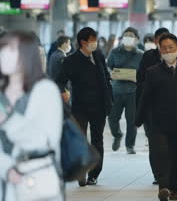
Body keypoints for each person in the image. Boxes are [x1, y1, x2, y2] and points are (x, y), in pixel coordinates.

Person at [136, 33, 177, 201]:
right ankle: (163, 186)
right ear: (160, 50)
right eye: (164, 48)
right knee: (161, 154)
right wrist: (139, 118)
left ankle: (175, 189)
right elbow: (145, 97)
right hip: (158, 123)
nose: (167, 51)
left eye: (171, 47)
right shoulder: (153, 72)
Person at [0, 31, 63, 201]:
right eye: (2, 49)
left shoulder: (45, 90)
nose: (3, 55)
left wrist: (9, 121)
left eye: (11, 50)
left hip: (36, 180)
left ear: (27, 56)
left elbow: (46, 140)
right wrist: (6, 168)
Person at [56, 27, 113, 186]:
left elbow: (106, 77)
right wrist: (64, 91)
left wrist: (110, 98)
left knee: (97, 140)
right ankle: (80, 171)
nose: (95, 43)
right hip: (80, 106)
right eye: (92, 40)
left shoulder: (99, 55)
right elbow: (59, 81)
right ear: (83, 42)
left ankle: (94, 174)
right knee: (80, 140)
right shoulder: (71, 60)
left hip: (100, 106)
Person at [136, 27, 169, 185]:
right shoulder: (148, 57)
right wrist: (139, 111)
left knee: (169, 144)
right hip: (151, 109)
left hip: (172, 109)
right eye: (161, 39)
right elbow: (140, 81)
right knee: (155, 144)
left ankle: (168, 172)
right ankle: (158, 174)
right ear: (156, 41)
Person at [107, 27, 143, 155]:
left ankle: (130, 145)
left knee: (132, 120)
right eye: (126, 35)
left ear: (136, 39)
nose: (128, 37)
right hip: (116, 90)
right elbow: (108, 67)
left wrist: (137, 78)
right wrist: (112, 73)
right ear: (122, 37)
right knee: (112, 118)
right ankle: (117, 135)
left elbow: (144, 73)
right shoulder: (115, 52)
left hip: (133, 91)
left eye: (131, 35)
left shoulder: (140, 55)